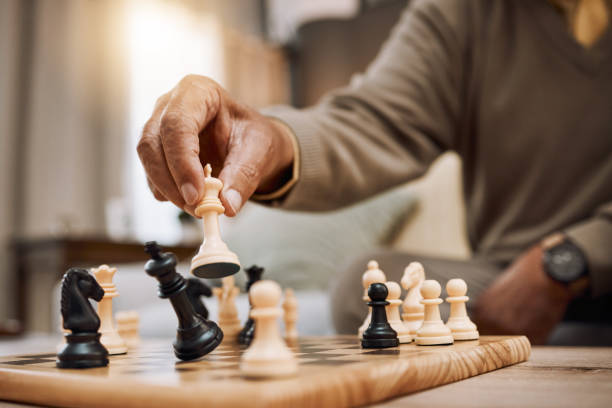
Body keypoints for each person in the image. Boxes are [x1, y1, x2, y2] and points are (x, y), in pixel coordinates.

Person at [136, 0, 612, 344]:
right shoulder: (461, 12)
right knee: (362, 289)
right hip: (505, 274)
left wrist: (571, 258)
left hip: (581, 258)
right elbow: (371, 124)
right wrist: (271, 138)